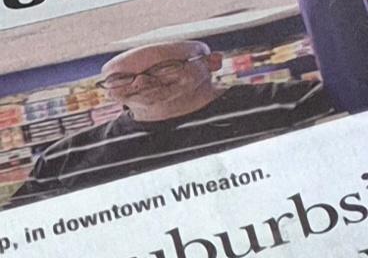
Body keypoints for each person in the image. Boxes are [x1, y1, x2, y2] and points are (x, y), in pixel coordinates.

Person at [10, 40, 333, 201]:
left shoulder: (293, 101)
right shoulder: (61, 157)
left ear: (212, 63)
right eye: (121, 78)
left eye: (164, 68)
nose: (141, 83)